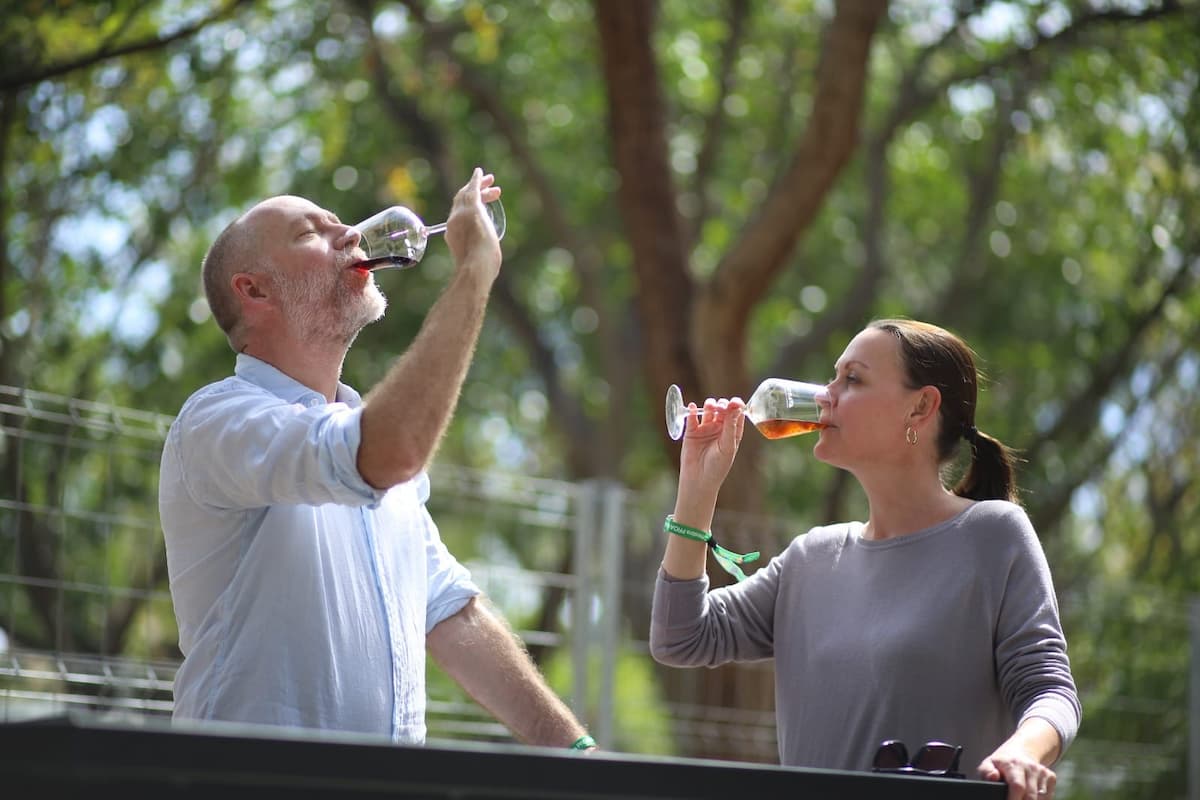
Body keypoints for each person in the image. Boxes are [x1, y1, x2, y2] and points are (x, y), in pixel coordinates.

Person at [159, 169, 595, 752]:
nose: (349, 234)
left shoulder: (366, 437)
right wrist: (471, 274)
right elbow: (389, 450)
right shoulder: (219, 421)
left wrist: (576, 751)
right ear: (254, 291)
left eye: (340, 222)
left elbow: (450, 614)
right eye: (309, 233)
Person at [650, 318, 1080, 799]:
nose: (825, 396)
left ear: (921, 407)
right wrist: (697, 486)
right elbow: (679, 636)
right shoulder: (809, 559)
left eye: (852, 379)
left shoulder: (993, 534)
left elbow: (1051, 691)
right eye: (833, 378)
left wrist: (1023, 751)